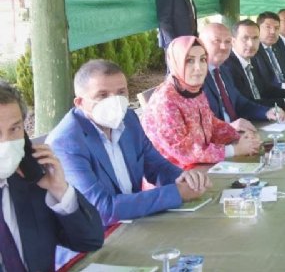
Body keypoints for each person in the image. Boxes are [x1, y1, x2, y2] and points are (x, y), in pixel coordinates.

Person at [48, 60, 212, 266]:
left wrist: (184, 177)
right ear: (80, 103)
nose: (114, 101)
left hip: (135, 223)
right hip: (92, 248)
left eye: (121, 93)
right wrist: (177, 193)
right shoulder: (66, 142)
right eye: (102, 95)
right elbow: (101, 210)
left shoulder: (129, 118)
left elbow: (156, 165)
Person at [0, 81, 103, 271]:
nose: (6, 142)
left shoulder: (32, 180)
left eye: (14, 129)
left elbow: (91, 241)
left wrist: (60, 190)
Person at [142, 36, 261, 169]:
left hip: (204, 166)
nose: (198, 67)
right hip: (178, 178)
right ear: (176, 62)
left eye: (203, 60)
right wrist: (233, 150)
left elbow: (211, 123)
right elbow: (184, 151)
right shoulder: (165, 101)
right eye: (190, 61)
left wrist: (239, 137)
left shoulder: (194, 90)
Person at [198, 23, 285, 124]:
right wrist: (230, 128)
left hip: (240, 133)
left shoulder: (223, 70)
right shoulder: (196, 76)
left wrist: (267, 112)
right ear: (201, 43)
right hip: (221, 136)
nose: (224, 47)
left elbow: (240, 103)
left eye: (227, 41)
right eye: (216, 41)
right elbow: (199, 124)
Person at [222, 20, 285, 110]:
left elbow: (265, 89)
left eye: (255, 38)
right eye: (245, 38)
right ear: (233, 41)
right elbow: (246, 103)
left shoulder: (253, 60)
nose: (251, 44)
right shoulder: (228, 66)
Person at [255, 11, 285, 90]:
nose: (273, 32)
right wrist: (284, 86)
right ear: (257, 28)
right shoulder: (253, 52)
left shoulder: (278, 47)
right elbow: (260, 84)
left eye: (276, 28)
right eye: (268, 27)